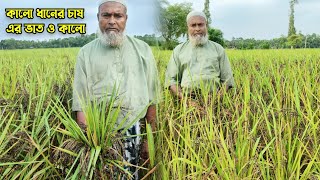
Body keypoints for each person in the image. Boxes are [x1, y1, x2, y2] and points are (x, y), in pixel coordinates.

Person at [72, 0, 159, 178]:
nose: (112, 21)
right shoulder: (85, 53)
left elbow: (153, 96)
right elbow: (80, 101)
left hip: (134, 128)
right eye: (106, 15)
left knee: (131, 175)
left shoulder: (143, 49)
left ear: (125, 19)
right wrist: (89, 143)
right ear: (98, 18)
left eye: (117, 16)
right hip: (99, 132)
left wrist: (149, 141)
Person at [165, 10, 235, 104]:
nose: (197, 29)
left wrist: (216, 99)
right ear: (188, 28)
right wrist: (185, 100)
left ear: (206, 26)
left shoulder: (218, 49)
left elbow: (227, 80)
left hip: (215, 101)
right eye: (193, 25)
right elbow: (171, 80)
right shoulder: (179, 50)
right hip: (186, 100)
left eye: (200, 24)